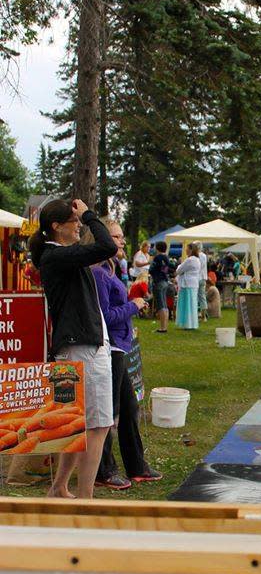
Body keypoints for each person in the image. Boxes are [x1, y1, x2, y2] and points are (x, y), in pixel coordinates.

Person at [28, 198, 117, 499]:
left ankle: (59, 487)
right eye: (74, 220)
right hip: (83, 350)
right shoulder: (56, 256)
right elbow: (107, 247)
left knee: (75, 425)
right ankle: (86, 498)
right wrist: (90, 215)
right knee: (98, 425)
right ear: (56, 226)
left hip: (73, 348)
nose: (79, 224)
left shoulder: (56, 257)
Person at [92, 219, 162, 490]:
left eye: (121, 236)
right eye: (116, 237)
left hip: (121, 345)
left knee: (129, 409)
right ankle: (103, 469)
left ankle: (136, 465)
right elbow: (104, 317)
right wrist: (133, 306)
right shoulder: (99, 273)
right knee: (108, 413)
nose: (121, 241)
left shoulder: (111, 270)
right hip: (109, 348)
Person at [176, 243, 201, 329]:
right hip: (193, 284)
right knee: (192, 305)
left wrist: (179, 266)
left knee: (186, 304)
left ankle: (186, 323)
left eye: (187, 249)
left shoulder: (189, 260)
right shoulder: (197, 260)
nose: (186, 250)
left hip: (186, 284)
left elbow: (179, 270)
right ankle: (192, 323)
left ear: (191, 250)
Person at [149, 241, 171, 333]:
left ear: (157, 248)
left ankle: (162, 328)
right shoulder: (166, 257)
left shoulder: (157, 258)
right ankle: (165, 326)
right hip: (165, 281)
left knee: (161, 305)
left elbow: (151, 269)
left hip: (158, 281)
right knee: (165, 305)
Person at [193, 240, 208, 321]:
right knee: (202, 297)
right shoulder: (204, 255)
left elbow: (197, 267)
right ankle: (204, 317)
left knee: (195, 297)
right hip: (203, 278)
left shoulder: (195, 255)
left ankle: (195, 316)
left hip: (196, 278)